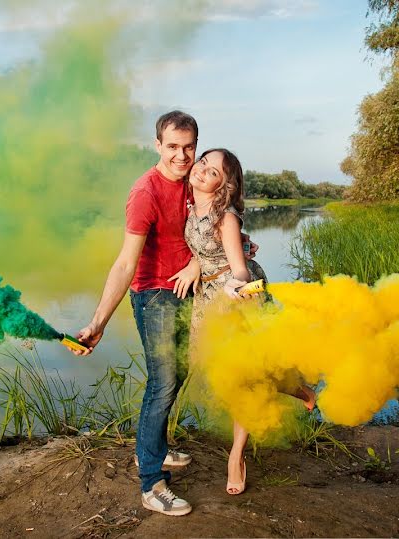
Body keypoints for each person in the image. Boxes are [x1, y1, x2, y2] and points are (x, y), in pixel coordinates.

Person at [71, 111, 202, 517]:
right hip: (155, 297)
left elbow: (219, 226)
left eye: (189, 146)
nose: (182, 156)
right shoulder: (145, 191)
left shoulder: (198, 179)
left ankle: (156, 450)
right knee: (162, 383)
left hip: (190, 290)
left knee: (178, 374)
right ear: (157, 145)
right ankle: (151, 483)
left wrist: (198, 264)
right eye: (173, 147)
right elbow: (126, 264)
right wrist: (98, 322)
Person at [173, 148, 317, 496]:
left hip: (235, 297)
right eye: (203, 163)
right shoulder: (191, 203)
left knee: (242, 378)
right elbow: (199, 247)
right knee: (212, 369)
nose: (202, 171)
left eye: (212, 172)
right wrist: (195, 265)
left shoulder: (227, 217)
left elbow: (238, 266)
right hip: (207, 298)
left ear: (226, 186)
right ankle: (295, 388)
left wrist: (233, 287)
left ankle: (236, 457)